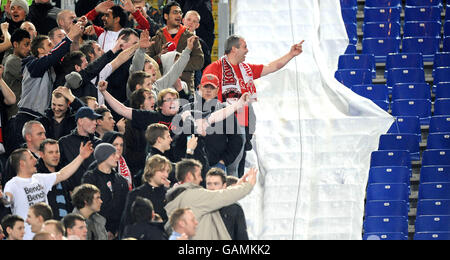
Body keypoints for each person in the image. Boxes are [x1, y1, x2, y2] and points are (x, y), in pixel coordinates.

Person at [203, 35, 305, 176]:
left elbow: (271, 67)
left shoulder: (246, 68)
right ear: (234, 49)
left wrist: (291, 54)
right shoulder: (214, 68)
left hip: (244, 124)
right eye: (244, 47)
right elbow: (206, 95)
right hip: (224, 125)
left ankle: (235, 193)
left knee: (239, 164)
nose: (247, 50)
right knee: (229, 165)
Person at [0, 141, 94, 239]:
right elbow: (7, 200)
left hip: (46, 235)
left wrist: (81, 157)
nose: (36, 160)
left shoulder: (40, 178)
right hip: (26, 236)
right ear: (22, 163)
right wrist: (3, 197)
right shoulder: (13, 184)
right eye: (31, 158)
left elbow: (62, 174)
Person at [164, 158, 257, 240]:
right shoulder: (194, 196)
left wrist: (235, 186)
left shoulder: (180, 196)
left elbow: (214, 196)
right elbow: (221, 196)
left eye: (216, 184)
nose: (201, 179)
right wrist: (248, 185)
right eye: (199, 175)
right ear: (189, 176)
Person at [183, 73, 243, 177]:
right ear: (199, 87)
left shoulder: (225, 111)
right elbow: (178, 136)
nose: (208, 90)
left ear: (217, 90)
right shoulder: (187, 108)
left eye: (212, 87)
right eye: (206, 86)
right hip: (191, 166)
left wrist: (224, 161)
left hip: (216, 166)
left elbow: (237, 139)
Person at [147, 1, 203, 93]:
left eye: (180, 13)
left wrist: (176, 64)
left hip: (185, 88)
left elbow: (199, 62)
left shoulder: (191, 37)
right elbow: (148, 62)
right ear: (166, 16)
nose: (178, 15)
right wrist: (160, 57)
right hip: (161, 90)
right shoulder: (156, 38)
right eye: (175, 12)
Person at [81, 143, 129, 240]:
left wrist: (115, 229)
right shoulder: (90, 178)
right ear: (103, 157)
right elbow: (88, 205)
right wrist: (103, 230)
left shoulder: (121, 181)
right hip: (95, 230)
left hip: (117, 232)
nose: (117, 156)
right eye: (113, 154)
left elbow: (125, 207)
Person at [120, 153, 171, 236]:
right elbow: (126, 223)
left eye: (167, 171)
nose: (166, 175)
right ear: (151, 170)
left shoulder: (168, 194)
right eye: (162, 171)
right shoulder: (135, 194)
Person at [58, 107, 103, 191]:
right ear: (80, 121)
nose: (95, 123)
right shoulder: (64, 142)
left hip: (96, 193)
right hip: (72, 194)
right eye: (92, 119)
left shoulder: (99, 143)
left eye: (95, 120)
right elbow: (58, 169)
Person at [205, 168, 249, 240]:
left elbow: (242, 237)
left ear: (224, 186)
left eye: (216, 184)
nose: (212, 187)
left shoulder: (235, 209)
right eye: (209, 184)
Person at [36, 138, 72, 220]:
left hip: (67, 223)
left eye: (57, 152)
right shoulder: (36, 175)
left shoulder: (64, 170)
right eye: (51, 152)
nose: (55, 155)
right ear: (41, 154)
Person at [3, 28, 30, 120]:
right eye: (26, 45)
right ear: (15, 44)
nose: (29, 48)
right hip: (15, 114)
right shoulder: (12, 61)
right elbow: (33, 74)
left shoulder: (20, 59)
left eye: (30, 45)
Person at [182, 10, 211, 87]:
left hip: (195, 83)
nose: (191, 23)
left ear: (197, 25)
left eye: (194, 21)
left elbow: (207, 66)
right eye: (188, 19)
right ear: (183, 20)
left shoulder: (202, 44)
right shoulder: (173, 38)